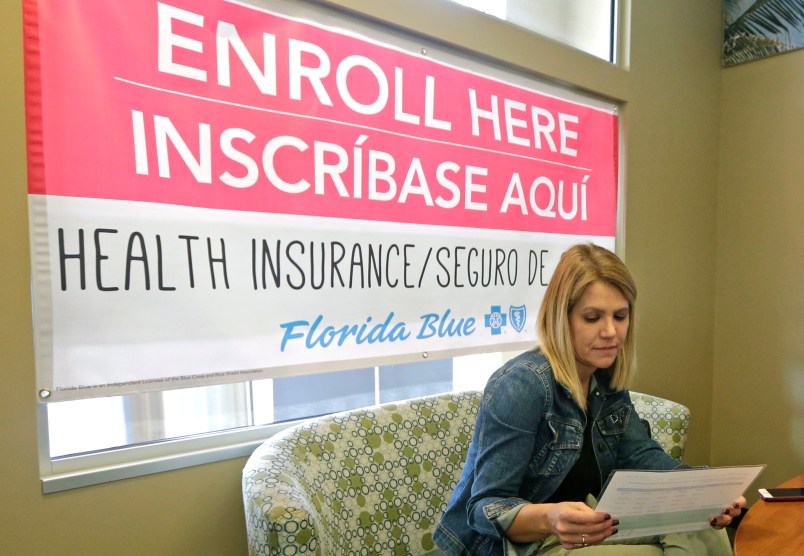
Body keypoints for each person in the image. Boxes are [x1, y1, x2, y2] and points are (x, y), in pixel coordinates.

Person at [433, 243, 744, 555]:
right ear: (561, 318)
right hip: (522, 545)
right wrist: (551, 518)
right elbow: (485, 507)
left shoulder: (604, 375)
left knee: (704, 528)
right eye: (592, 318)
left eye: (620, 316)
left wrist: (704, 490)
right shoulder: (521, 385)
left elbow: (640, 454)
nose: (610, 331)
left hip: (589, 522)